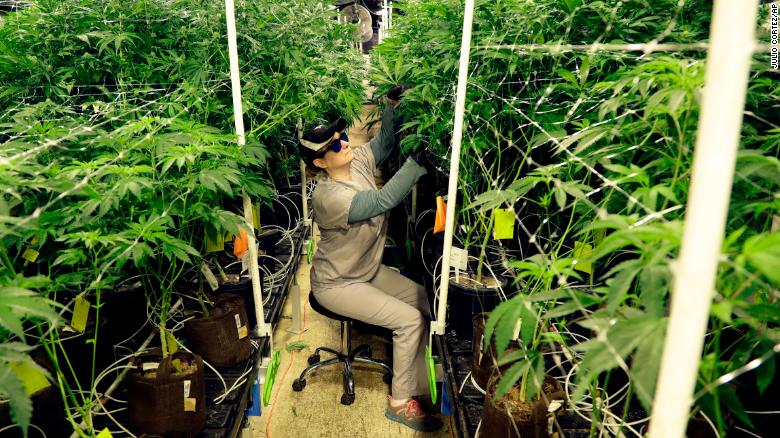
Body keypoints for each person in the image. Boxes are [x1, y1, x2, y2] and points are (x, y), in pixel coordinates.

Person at [298, 86, 442, 432]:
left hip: (365, 270)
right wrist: (415, 166)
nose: (343, 144)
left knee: (425, 300)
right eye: (334, 146)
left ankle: (419, 387)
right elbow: (381, 202)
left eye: (342, 137)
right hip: (337, 284)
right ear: (319, 162)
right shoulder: (329, 198)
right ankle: (398, 403)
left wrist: (390, 106)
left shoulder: (358, 160)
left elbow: (385, 143)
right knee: (408, 320)